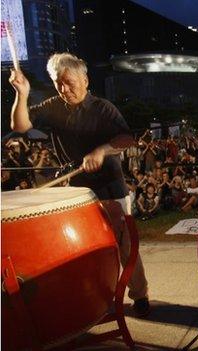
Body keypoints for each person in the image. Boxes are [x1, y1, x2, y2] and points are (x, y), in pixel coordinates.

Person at [8, 53, 151, 317]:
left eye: (69, 82)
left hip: (110, 190)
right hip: (75, 193)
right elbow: (21, 125)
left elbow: (127, 138)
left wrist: (101, 150)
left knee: (124, 246)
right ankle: (100, 299)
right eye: (58, 83)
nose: (64, 89)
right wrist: (23, 93)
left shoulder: (103, 108)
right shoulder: (53, 107)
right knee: (88, 249)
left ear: (85, 80)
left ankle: (140, 294)